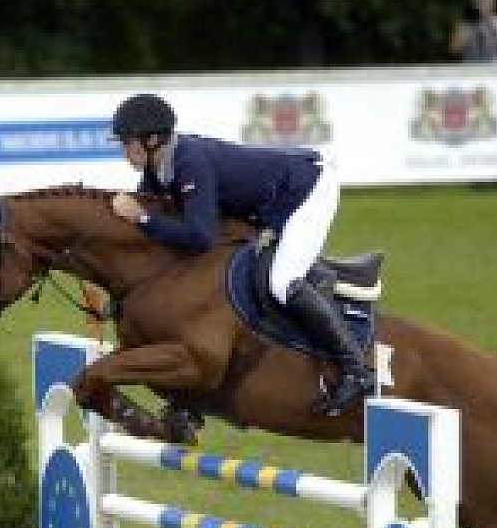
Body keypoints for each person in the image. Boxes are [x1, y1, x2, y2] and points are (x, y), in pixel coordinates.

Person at [109, 93, 374, 415]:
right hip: (269, 201)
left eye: (127, 143)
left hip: (307, 189)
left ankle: (356, 369)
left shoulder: (189, 162)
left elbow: (199, 237)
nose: (124, 151)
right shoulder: (158, 168)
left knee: (282, 282)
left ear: (152, 140)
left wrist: (142, 218)